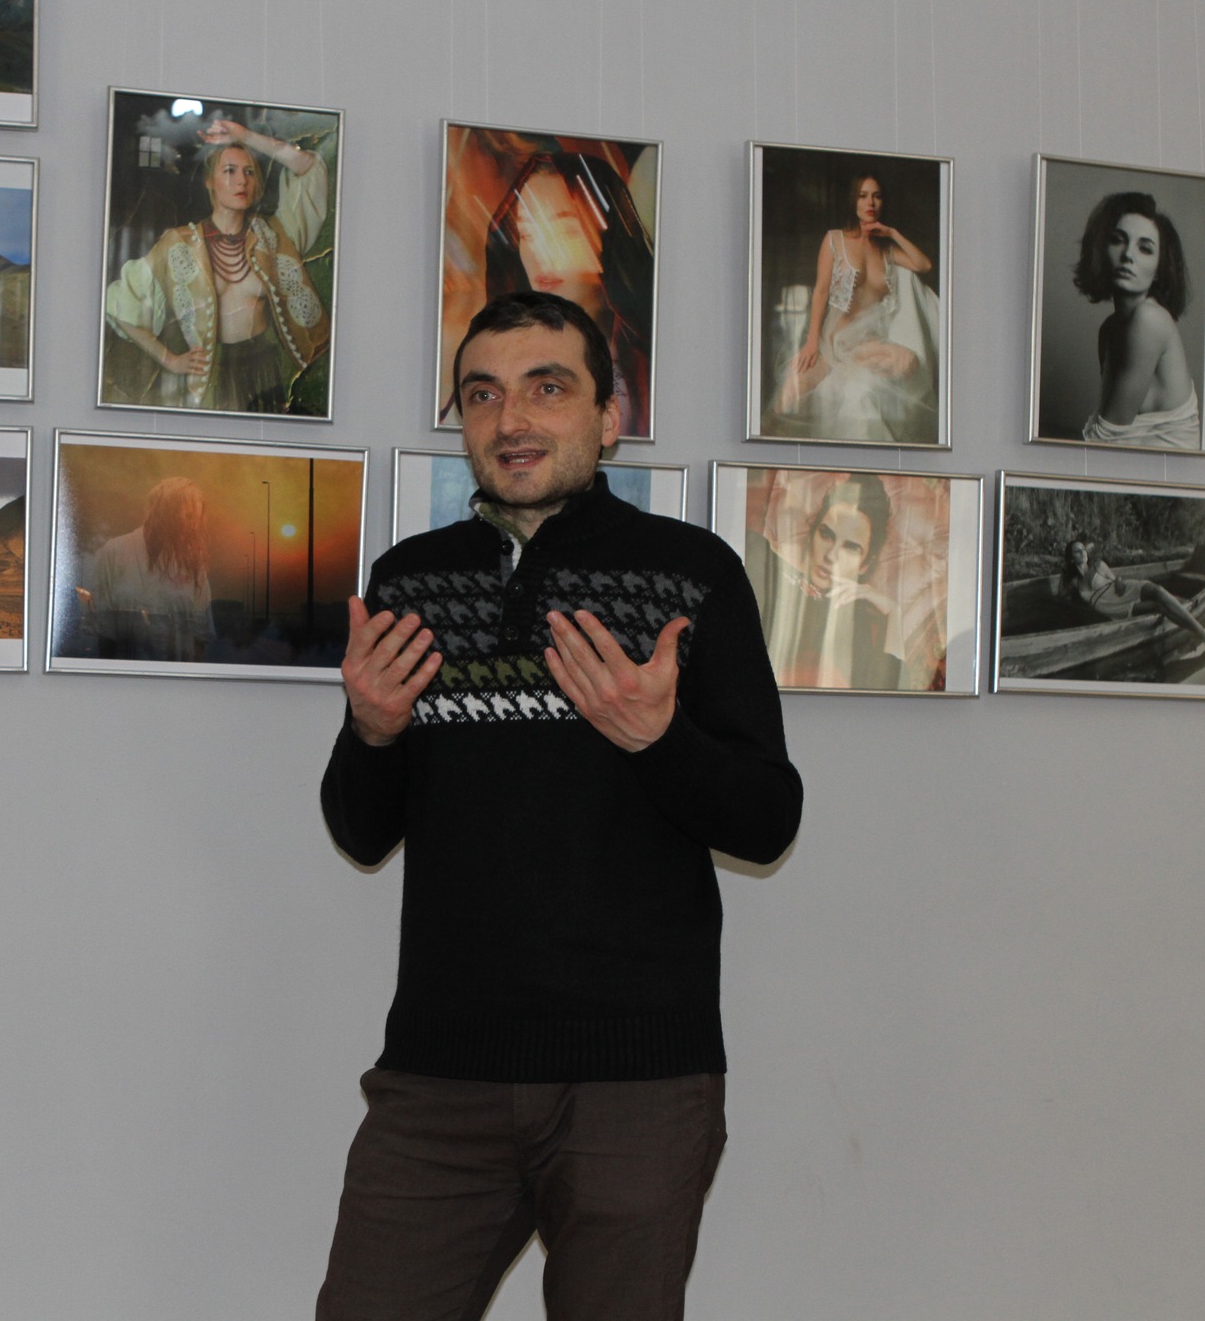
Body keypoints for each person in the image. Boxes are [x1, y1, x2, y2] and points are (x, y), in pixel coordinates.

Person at [318, 290, 803, 1318]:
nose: (511, 420)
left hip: (637, 1084)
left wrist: (658, 739)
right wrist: (371, 730)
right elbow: (360, 830)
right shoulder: (409, 582)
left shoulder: (689, 573)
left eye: (547, 389)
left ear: (607, 418)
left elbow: (767, 818)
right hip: (439, 1079)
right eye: (482, 394)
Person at [103, 116, 331, 415]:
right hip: (214, 378)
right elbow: (121, 304)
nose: (242, 181)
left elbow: (309, 168)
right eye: (230, 171)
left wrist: (245, 136)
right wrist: (170, 360)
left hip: (274, 368)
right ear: (209, 181)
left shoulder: (274, 234)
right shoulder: (178, 244)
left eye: (249, 172)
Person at [438, 133, 657, 437]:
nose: (540, 254)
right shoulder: (484, 359)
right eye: (527, 234)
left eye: (563, 230)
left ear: (607, 238)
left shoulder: (649, 362)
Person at [767, 170, 942, 443]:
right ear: (854, 201)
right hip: (833, 342)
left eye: (877, 196)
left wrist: (892, 233)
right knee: (785, 403)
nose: (870, 203)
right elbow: (821, 292)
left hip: (867, 345)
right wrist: (811, 342)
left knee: (906, 365)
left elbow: (924, 265)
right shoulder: (835, 239)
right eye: (863, 196)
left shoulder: (886, 251)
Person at [748, 472, 905, 689]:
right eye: (826, 534)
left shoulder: (856, 622)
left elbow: (885, 691)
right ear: (812, 533)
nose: (831, 556)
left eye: (850, 547)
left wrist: (894, 613)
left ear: (865, 564)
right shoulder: (762, 558)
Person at [1069, 191, 1201, 449]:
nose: (1128, 255)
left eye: (1145, 249)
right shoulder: (1109, 330)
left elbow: (1108, 435)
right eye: (1118, 241)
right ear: (1101, 249)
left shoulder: (1150, 320)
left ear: (1159, 270)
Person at [79, 476, 213, 661]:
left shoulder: (193, 564)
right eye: (189, 516)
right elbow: (102, 632)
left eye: (198, 518)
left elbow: (200, 637)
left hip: (174, 676)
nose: (194, 525)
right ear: (165, 513)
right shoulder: (116, 552)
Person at [1061, 535, 1205, 655]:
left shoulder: (1098, 565)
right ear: (1071, 558)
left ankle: (1203, 633)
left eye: (1083, 549)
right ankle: (1202, 632)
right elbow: (1061, 595)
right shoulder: (1073, 582)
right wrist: (1065, 571)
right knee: (1159, 607)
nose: (1082, 552)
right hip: (1113, 607)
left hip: (1120, 591)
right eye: (1077, 551)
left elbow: (1116, 578)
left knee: (1157, 590)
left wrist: (1120, 581)